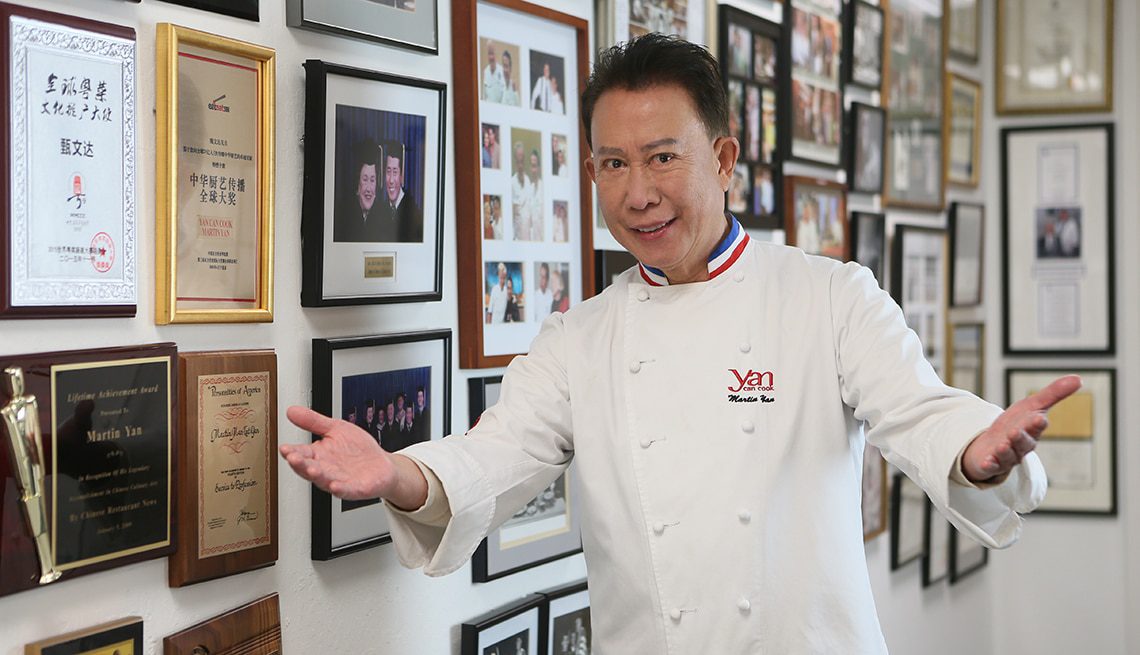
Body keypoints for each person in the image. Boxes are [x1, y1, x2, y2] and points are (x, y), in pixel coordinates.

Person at [281, 34, 1078, 653]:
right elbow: (491, 457)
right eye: (613, 164)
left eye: (664, 157)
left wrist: (975, 450)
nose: (639, 193)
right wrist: (396, 471)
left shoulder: (827, 298)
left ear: (724, 159)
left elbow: (919, 410)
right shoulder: (580, 339)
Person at [334, 140, 386, 242]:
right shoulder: (343, 214)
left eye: (372, 180)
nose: (368, 188)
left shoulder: (384, 215)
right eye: (365, 179)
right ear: (358, 183)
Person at [382, 142, 424, 242]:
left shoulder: (411, 210)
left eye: (395, 172)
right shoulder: (380, 209)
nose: (391, 180)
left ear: (401, 176)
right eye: (388, 172)